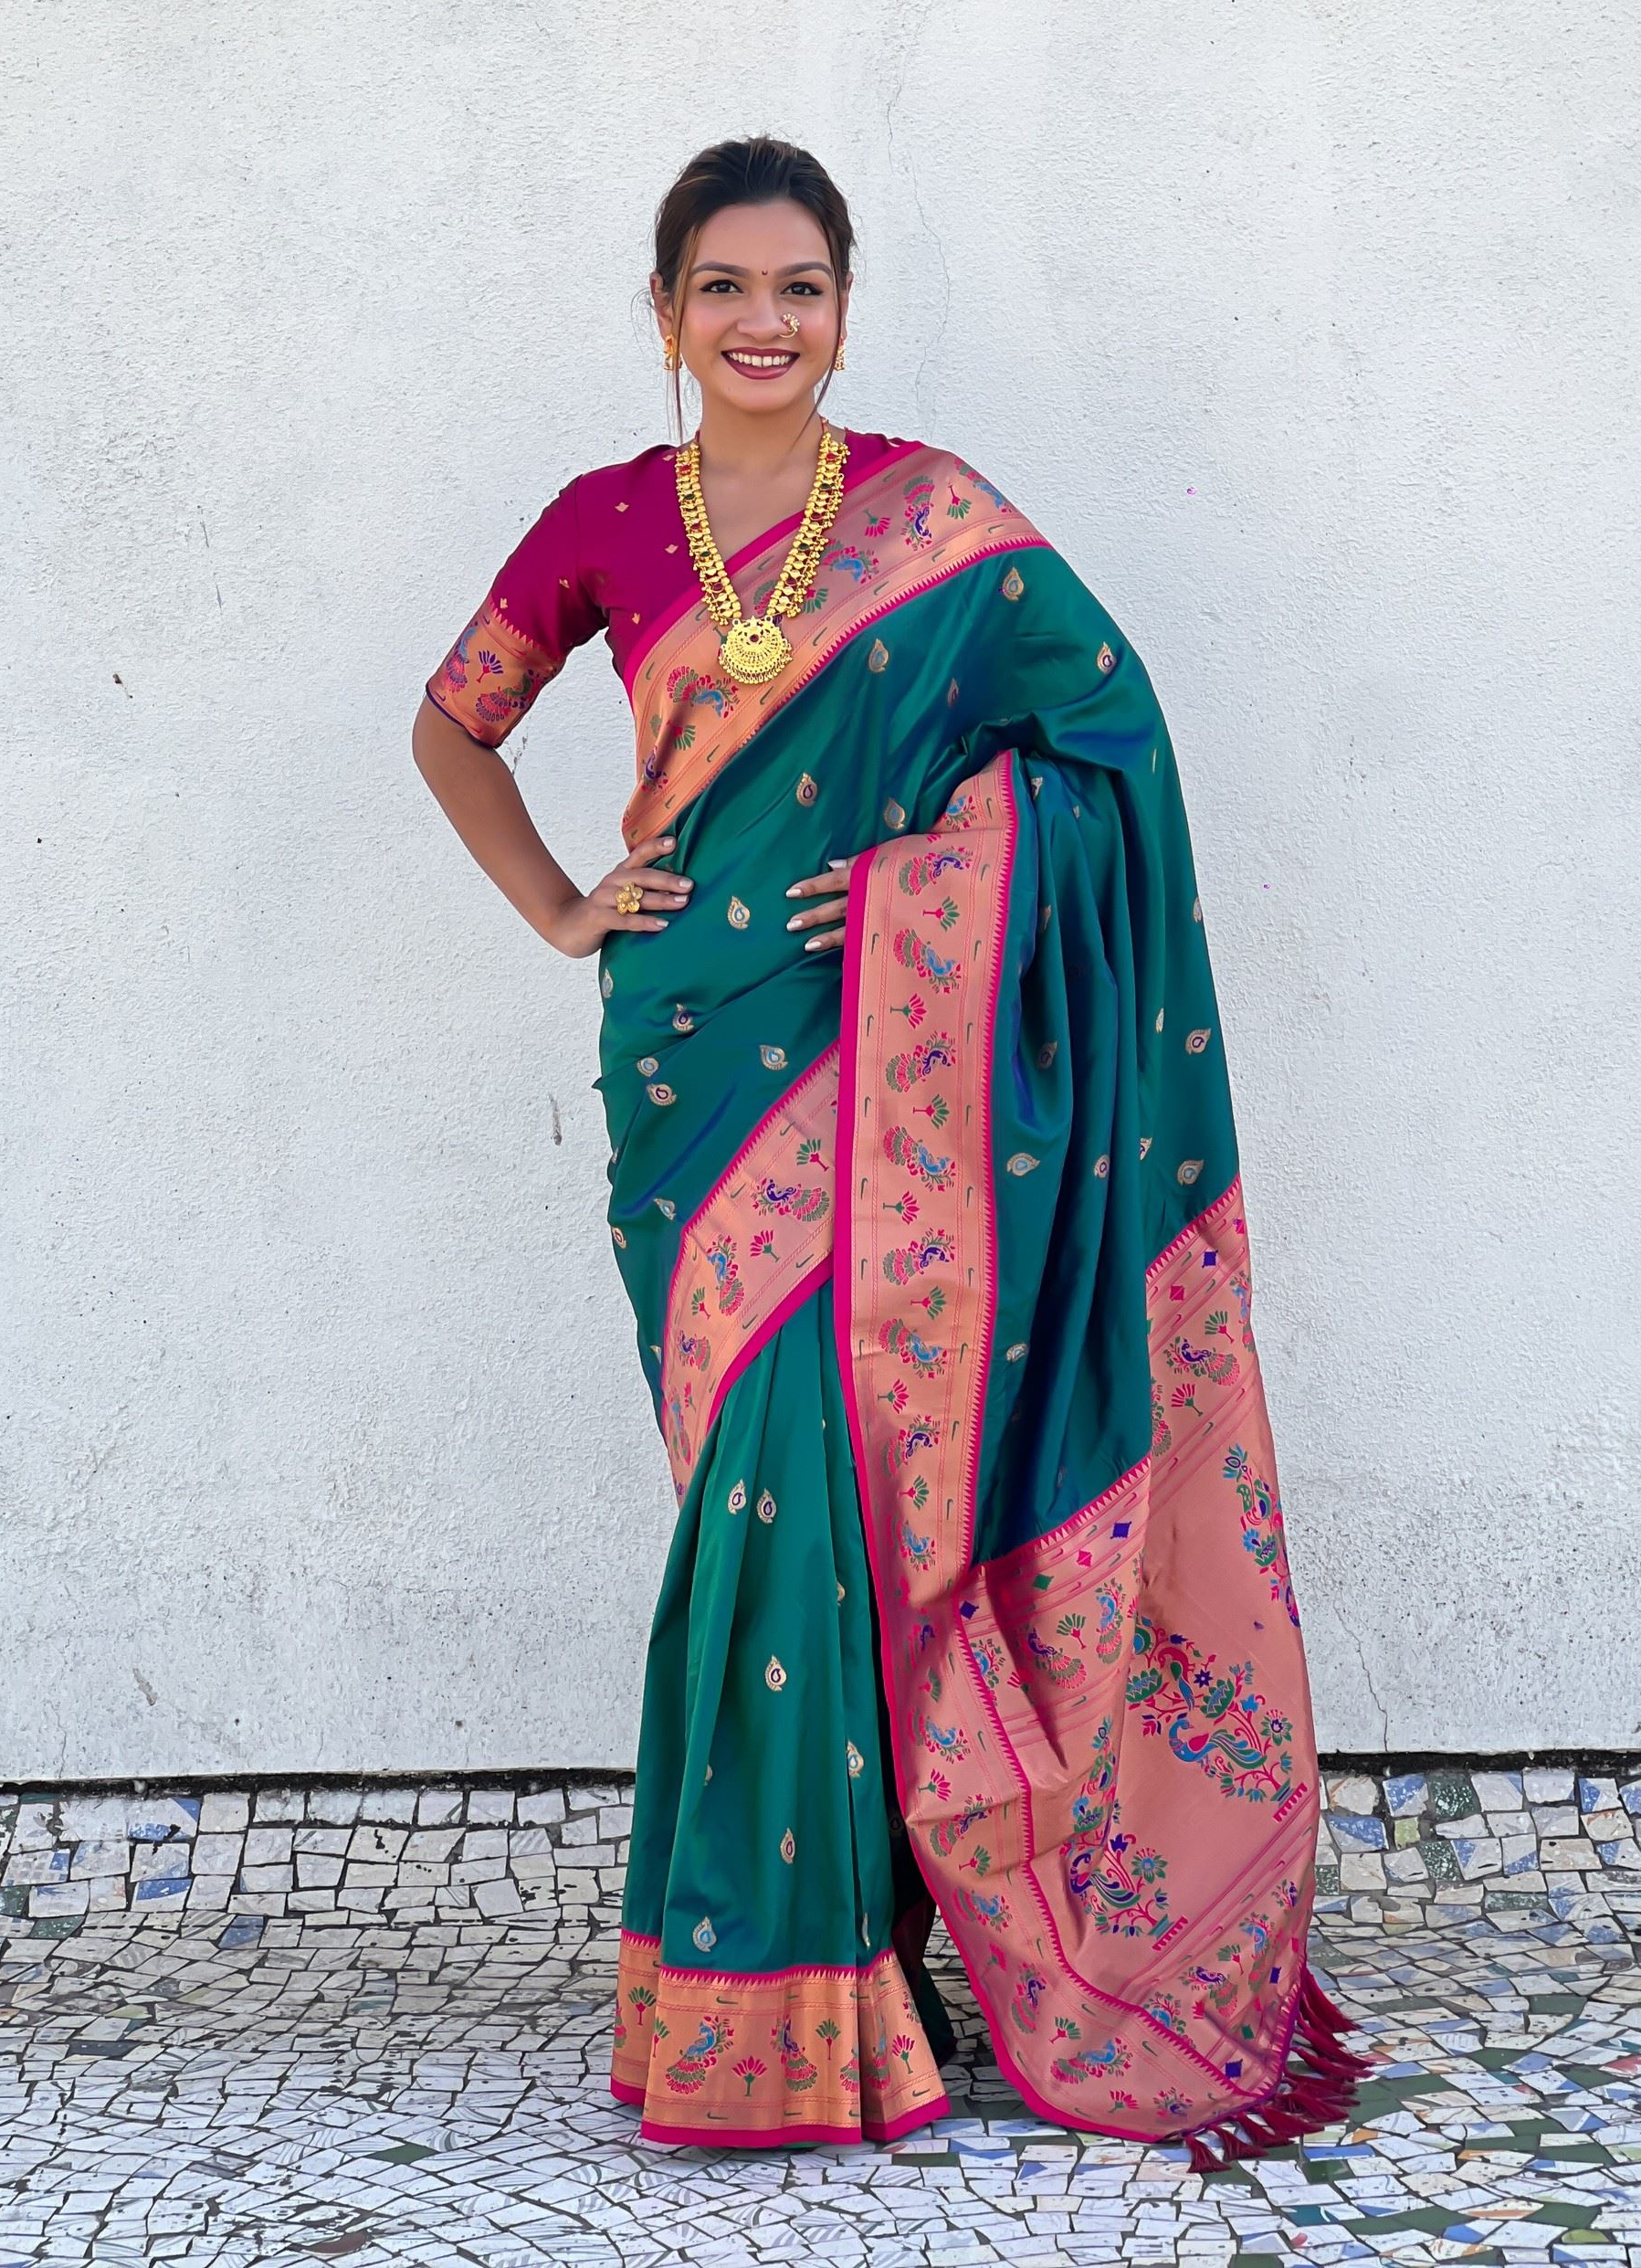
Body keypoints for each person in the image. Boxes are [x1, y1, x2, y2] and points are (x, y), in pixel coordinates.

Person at [412, 136, 1364, 2163]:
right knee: (755, 1501)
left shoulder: (941, 523)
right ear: (662, 309)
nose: (762, 322)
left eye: (801, 287)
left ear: (844, 307)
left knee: (850, 1493)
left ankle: (839, 1962)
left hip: (893, 1072)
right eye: (723, 286)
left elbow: (1111, 747)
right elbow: (452, 725)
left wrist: (945, 877)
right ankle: (791, 1972)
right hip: (692, 1066)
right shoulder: (601, 522)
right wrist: (566, 904)